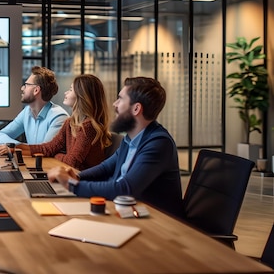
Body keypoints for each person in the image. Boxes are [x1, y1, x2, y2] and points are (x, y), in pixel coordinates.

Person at [47, 77, 183, 217]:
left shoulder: (158, 143)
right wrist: (76, 176)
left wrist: (71, 185)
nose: (114, 104)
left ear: (136, 108)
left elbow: (124, 188)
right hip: (128, 210)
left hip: (159, 221)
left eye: (120, 99)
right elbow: (106, 167)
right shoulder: (131, 138)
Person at [17, 74, 112, 170]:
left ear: (81, 96)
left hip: (86, 180)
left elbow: (71, 162)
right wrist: (16, 148)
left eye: (70, 90)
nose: (66, 93)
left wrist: (56, 155)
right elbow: (49, 148)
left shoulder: (88, 127)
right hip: (73, 176)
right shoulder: (70, 123)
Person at [0, 66, 67, 154]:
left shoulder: (58, 117)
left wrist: (15, 147)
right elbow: (1, 135)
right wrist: (15, 147)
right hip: (32, 164)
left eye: (26, 85)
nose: (22, 88)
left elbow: (45, 151)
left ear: (36, 90)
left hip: (50, 166)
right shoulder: (27, 111)